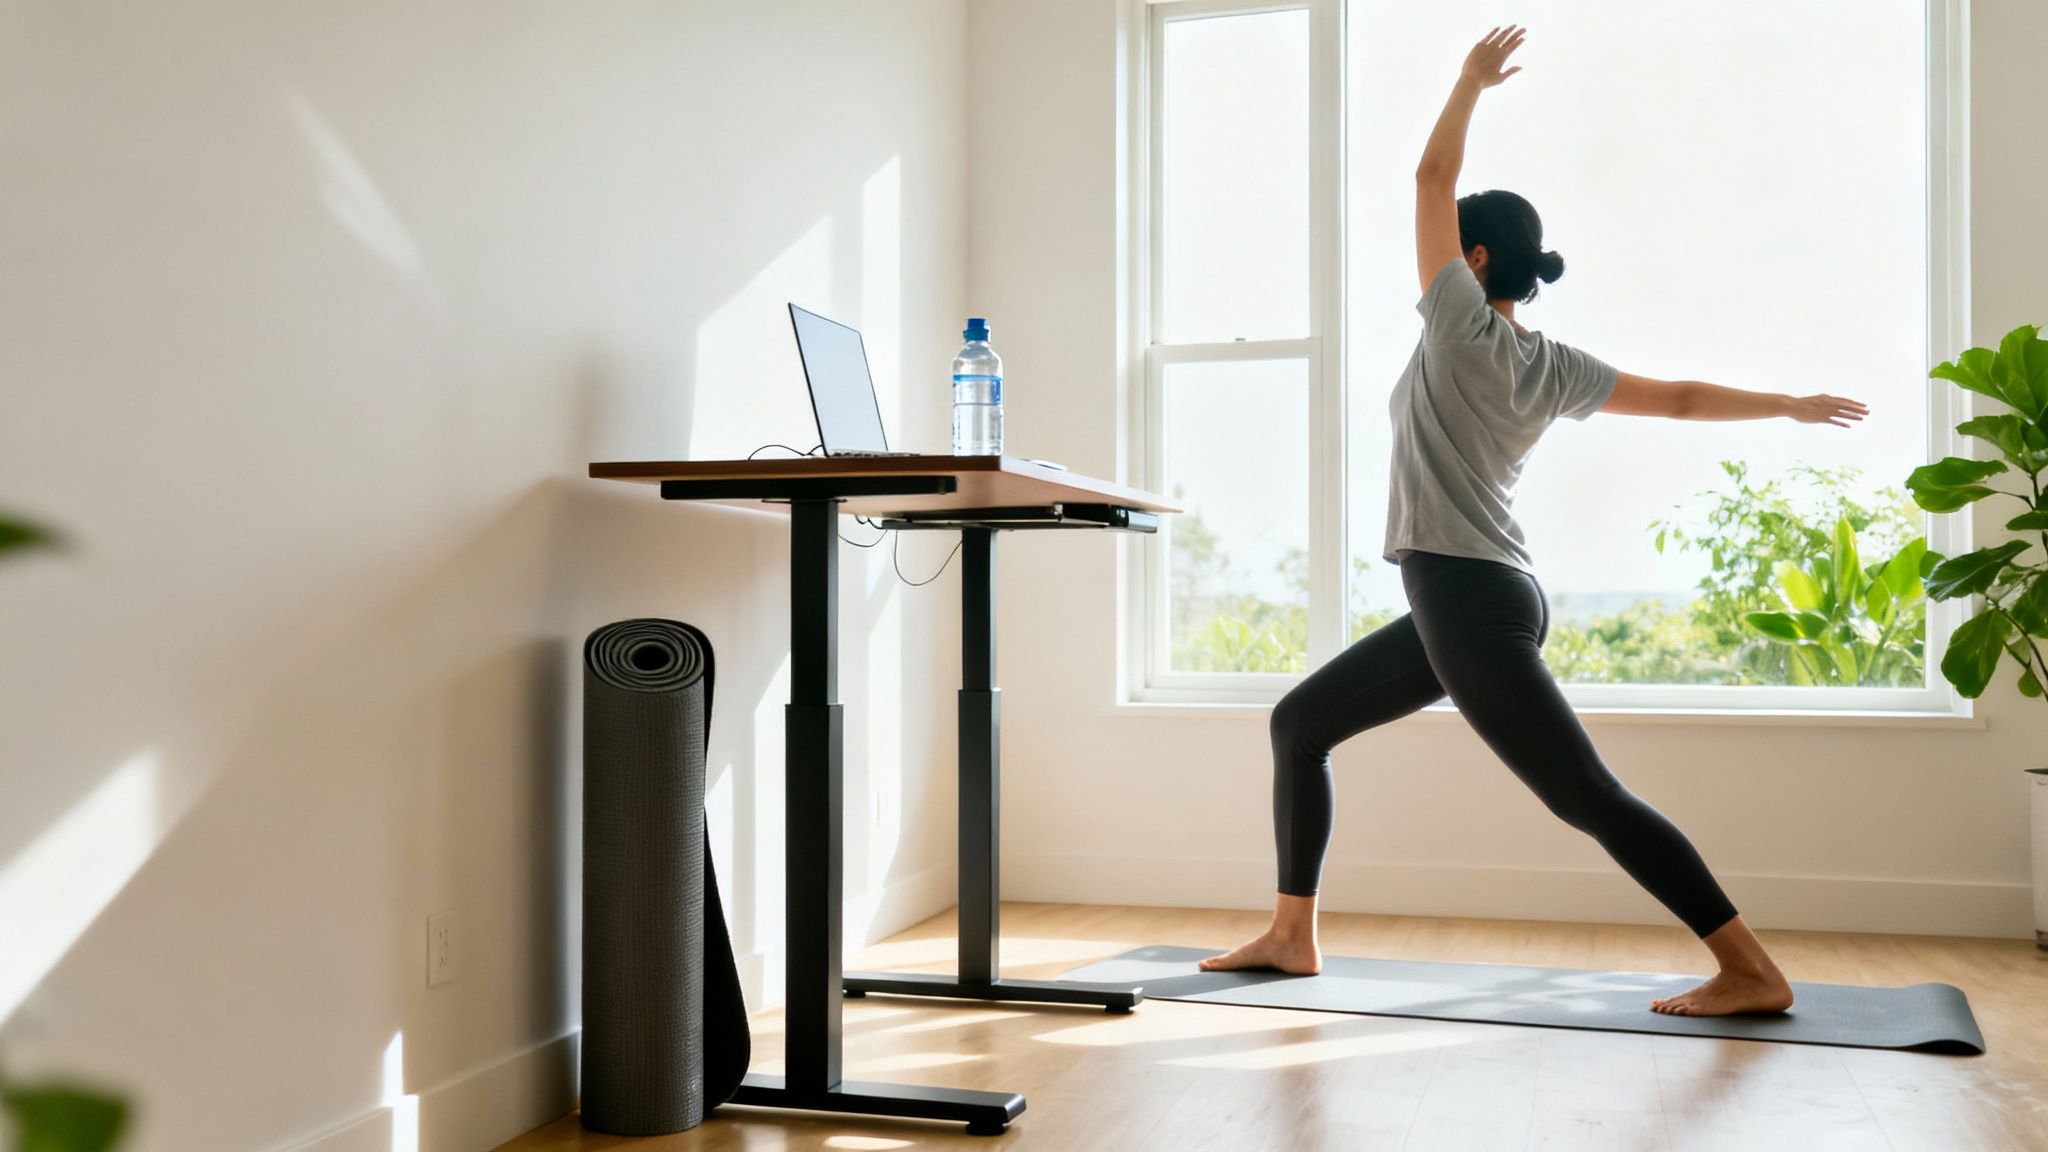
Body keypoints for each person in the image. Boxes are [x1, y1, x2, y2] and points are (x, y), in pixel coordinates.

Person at [1199, 26, 1867, 1016]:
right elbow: (1678, 398)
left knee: (1582, 795)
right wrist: (1786, 403)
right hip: (1478, 592)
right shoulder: (1552, 365)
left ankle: (1748, 967)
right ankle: (1292, 935)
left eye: (1449, 252)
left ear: (1471, 263)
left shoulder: (1457, 325)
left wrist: (1467, 84)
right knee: (1299, 723)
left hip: (1465, 596)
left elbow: (1430, 176)